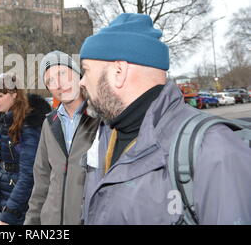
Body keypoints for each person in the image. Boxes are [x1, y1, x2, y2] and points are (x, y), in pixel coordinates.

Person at [79, 13, 251, 225]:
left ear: (118, 72)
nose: (82, 82)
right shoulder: (102, 138)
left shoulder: (214, 149)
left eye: (86, 71)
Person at [24, 51, 99, 225]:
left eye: (62, 74)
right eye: (50, 81)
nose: (58, 84)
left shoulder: (101, 119)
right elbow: (41, 181)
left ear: (78, 75)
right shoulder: (49, 124)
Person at [0, 73, 51, 225]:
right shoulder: (2, 119)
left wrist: (9, 215)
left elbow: (28, 175)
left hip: (16, 202)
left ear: (15, 94)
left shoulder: (29, 125)